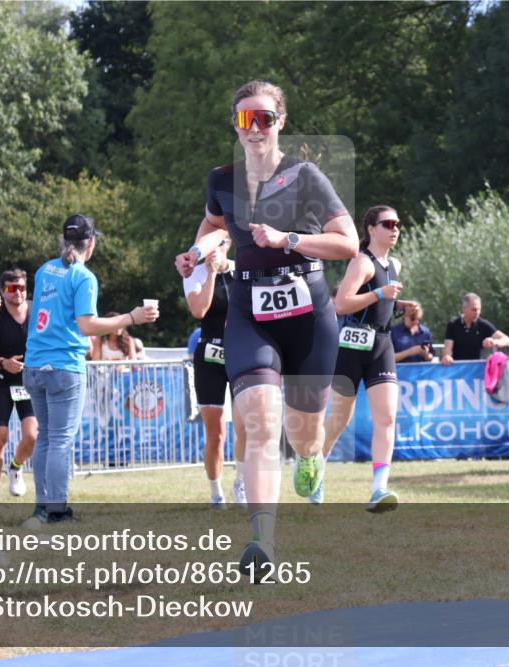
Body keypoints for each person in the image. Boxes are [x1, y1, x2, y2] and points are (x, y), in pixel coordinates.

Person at [173, 80, 358, 573]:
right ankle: (263, 543)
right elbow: (213, 229)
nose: (254, 129)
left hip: (308, 315)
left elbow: (349, 244)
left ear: (280, 122)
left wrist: (289, 238)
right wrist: (197, 256)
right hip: (250, 314)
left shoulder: (306, 176)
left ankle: (313, 457)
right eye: (244, 119)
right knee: (258, 424)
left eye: (265, 118)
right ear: (235, 125)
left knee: (303, 435)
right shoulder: (220, 180)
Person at [22, 214, 158, 527]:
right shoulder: (83, 276)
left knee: (44, 438)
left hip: (34, 364)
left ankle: (42, 509)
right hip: (63, 368)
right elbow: (87, 326)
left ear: (63, 241)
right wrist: (131, 318)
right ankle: (56, 512)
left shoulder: (44, 270)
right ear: (92, 243)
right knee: (59, 441)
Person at [318, 205, 414, 511]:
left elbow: (382, 302)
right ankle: (315, 468)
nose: (395, 228)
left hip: (382, 344)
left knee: (387, 418)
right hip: (351, 348)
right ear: (371, 229)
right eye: (388, 223)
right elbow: (342, 304)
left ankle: (379, 489)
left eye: (397, 223)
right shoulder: (362, 262)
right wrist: (380, 295)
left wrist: (397, 305)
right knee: (338, 420)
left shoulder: (395, 263)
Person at [183, 241, 247, 508]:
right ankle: (215, 491)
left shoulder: (242, 271)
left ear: (229, 244)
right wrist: (211, 273)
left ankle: (241, 484)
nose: (214, 249)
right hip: (209, 354)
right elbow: (199, 310)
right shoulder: (194, 274)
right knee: (216, 434)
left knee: (245, 428)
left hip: (242, 353)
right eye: (208, 245)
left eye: (219, 243)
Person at [0, 268, 37, 501]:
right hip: (2, 380)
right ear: (2, 291)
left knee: (32, 436)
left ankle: (15, 467)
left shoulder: (36, 310)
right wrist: (5, 363)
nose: (18, 293)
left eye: (22, 288)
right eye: (13, 288)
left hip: (30, 382)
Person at [440, 293, 509, 364]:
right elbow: (448, 348)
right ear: (464, 308)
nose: (477, 312)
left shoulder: (483, 324)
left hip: (477, 369)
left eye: (479, 309)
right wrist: (447, 356)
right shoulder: (453, 324)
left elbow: (506, 339)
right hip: (458, 369)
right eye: (474, 309)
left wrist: (494, 342)